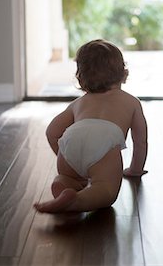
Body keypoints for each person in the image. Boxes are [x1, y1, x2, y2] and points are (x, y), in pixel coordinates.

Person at [34, 39, 148, 213]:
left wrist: (65, 154)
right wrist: (135, 169)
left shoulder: (78, 103)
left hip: (71, 140)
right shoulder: (131, 102)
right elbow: (140, 141)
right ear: (124, 73)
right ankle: (77, 201)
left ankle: (64, 183)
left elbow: (52, 132)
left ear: (81, 78)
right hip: (103, 142)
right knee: (106, 191)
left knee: (67, 177)